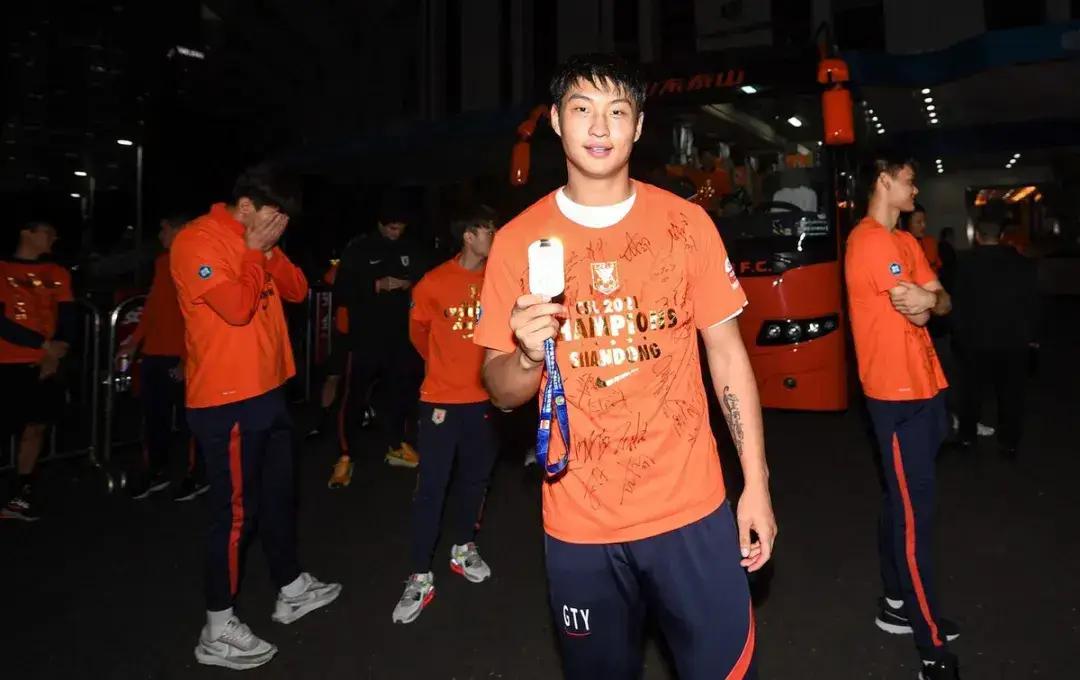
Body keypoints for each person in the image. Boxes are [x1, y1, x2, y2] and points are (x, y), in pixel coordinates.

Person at [474, 54, 776, 679]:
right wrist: (527, 354)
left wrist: (756, 483)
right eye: (581, 109)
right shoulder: (515, 243)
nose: (599, 126)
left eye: (617, 111)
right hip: (581, 526)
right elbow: (500, 391)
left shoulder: (687, 225)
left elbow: (727, 354)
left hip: (691, 511)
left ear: (637, 127)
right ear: (556, 121)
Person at [170, 168, 341, 670]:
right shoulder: (197, 242)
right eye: (274, 215)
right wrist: (252, 250)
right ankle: (217, 627)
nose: (279, 224)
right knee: (234, 515)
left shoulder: (259, 240)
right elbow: (238, 309)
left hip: (268, 391)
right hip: (227, 398)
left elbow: (297, 290)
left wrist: (267, 250)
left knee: (279, 496)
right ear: (245, 206)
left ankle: (291, 587)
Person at [845, 155, 961, 680]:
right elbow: (916, 306)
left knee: (901, 501)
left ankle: (895, 602)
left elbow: (942, 302)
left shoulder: (907, 242)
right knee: (915, 518)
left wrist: (930, 299)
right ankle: (931, 649)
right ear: (884, 181)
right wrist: (927, 300)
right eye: (910, 181)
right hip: (895, 397)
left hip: (926, 389)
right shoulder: (869, 240)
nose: (916, 191)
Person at [391, 205, 500, 624]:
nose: (494, 236)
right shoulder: (433, 283)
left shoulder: (498, 278)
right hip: (440, 400)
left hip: (484, 400)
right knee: (432, 488)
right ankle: (420, 574)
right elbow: (417, 334)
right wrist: (445, 367)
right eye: (487, 230)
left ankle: (463, 548)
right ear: (468, 236)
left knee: (476, 479)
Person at [329, 193, 426, 486]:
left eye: (401, 227)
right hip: (364, 337)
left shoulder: (411, 248)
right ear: (381, 224)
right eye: (392, 227)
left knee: (401, 392)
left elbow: (425, 280)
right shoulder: (359, 248)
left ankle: (396, 445)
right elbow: (341, 289)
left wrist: (409, 284)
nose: (396, 232)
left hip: (400, 337)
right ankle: (345, 455)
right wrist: (375, 285)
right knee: (354, 395)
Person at [119, 213, 208, 501]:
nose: (161, 235)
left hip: (182, 354)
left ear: (182, 229)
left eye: (165, 228)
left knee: (191, 420)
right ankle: (156, 470)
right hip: (155, 353)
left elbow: (200, 315)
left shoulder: (198, 262)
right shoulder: (162, 263)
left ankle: (198, 474)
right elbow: (153, 307)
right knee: (153, 417)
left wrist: (186, 358)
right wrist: (134, 342)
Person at [0, 221, 74, 522]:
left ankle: (21, 494)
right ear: (26, 232)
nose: (54, 237)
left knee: (36, 427)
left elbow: (68, 317)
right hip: (7, 361)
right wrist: (43, 345)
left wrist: (56, 352)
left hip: (45, 362)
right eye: (47, 232)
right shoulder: (2, 270)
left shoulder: (58, 272)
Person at [951, 219, 1039, 458]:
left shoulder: (966, 264)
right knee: (1011, 394)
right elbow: (1033, 303)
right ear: (1001, 236)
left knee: (971, 392)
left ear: (977, 236)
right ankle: (1009, 442)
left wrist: (959, 336)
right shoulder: (1022, 264)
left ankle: (967, 437)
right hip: (1013, 339)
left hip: (975, 339)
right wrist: (1032, 337)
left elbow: (958, 304)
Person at [903, 204, 942, 273]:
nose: (924, 225)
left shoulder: (931, 242)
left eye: (924, 221)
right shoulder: (900, 245)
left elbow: (937, 266)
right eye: (919, 222)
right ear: (907, 224)